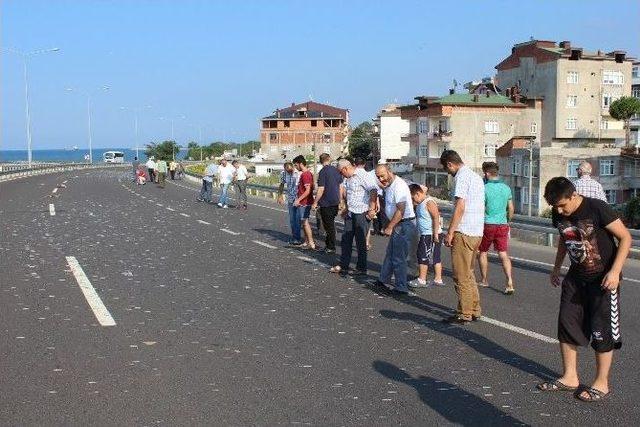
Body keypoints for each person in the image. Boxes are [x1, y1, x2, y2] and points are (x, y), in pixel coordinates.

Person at [537, 177, 630, 402]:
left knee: (601, 330)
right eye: (555, 207)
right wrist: (557, 267)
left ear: (574, 195)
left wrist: (615, 272)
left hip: (604, 279)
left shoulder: (597, 208)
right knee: (566, 324)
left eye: (562, 205)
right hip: (575, 278)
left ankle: (602, 383)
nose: (560, 210)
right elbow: (563, 238)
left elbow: (625, 238)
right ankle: (570, 377)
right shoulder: (558, 213)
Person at [440, 150, 485, 324]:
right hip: (476, 232)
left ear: (450, 164)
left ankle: (464, 313)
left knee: (460, 275)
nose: (448, 172)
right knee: (469, 273)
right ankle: (474, 309)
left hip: (464, 230)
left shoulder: (461, 177)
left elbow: (460, 206)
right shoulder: (476, 177)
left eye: (446, 168)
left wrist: (450, 231)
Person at [329, 159, 378, 276]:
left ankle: (361, 268)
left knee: (361, 241)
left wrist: (371, 208)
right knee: (346, 239)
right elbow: (349, 194)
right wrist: (346, 208)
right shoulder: (347, 178)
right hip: (351, 212)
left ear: (345, 168)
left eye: (341, 172)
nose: (341, 175)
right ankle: (344, 265)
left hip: (362, 211)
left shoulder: (362, 174)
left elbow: (373, 190)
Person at [374, 164, 416, 295]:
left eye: (382, 175)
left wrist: (390, 227)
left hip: (403, 224)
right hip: (399, 224)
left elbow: (401, 210)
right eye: (378, 177)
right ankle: (383, 279)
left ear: (389, 172)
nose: (381, 179)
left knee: (398, 257)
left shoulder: (399, 186)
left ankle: (401, 287)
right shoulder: (390, 185)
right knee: (390, 253)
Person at [477, 162, 515, 294]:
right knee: (503, 254)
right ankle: (509, 282)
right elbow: (510, 208)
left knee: (483, 252)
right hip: (502, 224)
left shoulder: (484, 188)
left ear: (487, 173)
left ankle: (484, 280)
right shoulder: (506, 188)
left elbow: (481, 207)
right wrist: (507, 221)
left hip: (488, 224)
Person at [408, 184, 444, 288]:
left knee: (423, 255)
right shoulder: (421, 202)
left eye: (413, 198)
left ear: (418, 194)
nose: (413, 201)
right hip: (426, 234)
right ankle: (438, 279)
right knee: (432, 256)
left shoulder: (428, 202)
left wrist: (436, 233)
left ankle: (422, 279)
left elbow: (436, 217)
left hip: (430, 234)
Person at [312, 153, 342, 253]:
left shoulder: (322, 172)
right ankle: (329, 245)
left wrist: (315, 202)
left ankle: (330, 247)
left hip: (326, 202)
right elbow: (340, 187)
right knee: (331, 224)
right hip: (335, 201)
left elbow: (321, 189)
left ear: (321, 161)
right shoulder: (336, 170)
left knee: (328, 226)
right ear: (329, 159)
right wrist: (341, 201)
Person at [292, 155, 316, 250]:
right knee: (303, 222)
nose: (296, 167)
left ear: (300, 163)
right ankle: (306, 241)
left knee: (305, 222)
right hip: (306, 201)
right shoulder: (308, 173)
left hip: (305, 202)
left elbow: (308, 190)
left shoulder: (305, 174)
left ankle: (311, 243)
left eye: (296, 165)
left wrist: (298, 200)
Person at [277, 162, 301, 246]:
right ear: (285, 169)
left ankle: (297, 239)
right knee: (292, 220)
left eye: (291, 170)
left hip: (298, 199)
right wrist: (279, 196)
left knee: (297, 220)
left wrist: (299, 199)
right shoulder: (283, 174)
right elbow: (281, 185)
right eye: (288, 170)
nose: (290, 172)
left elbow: (300, 187)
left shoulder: (298, 173)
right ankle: (294, 237)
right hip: (290, 199)